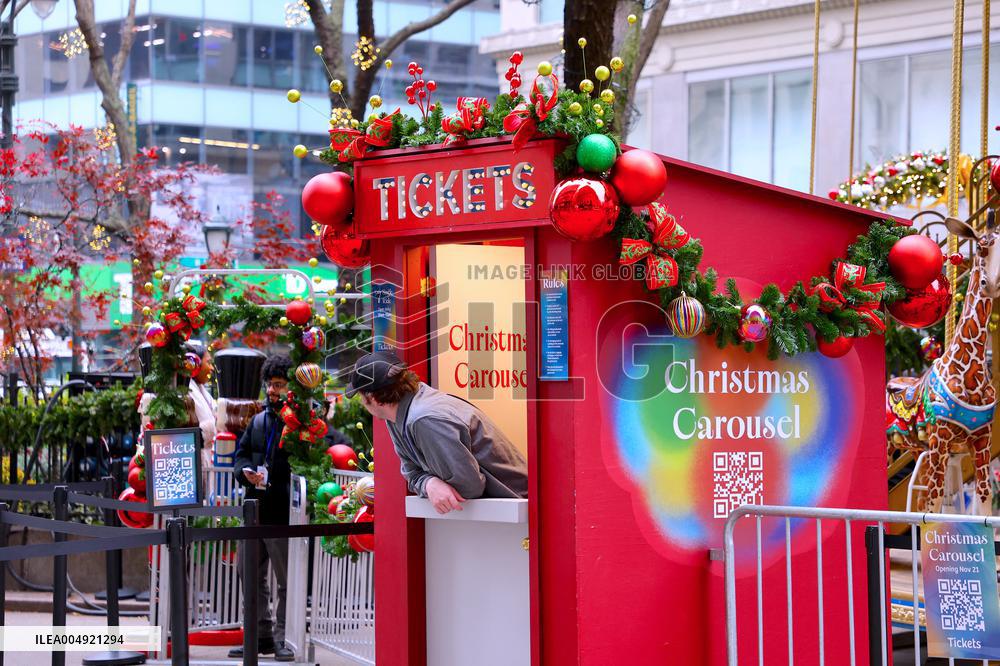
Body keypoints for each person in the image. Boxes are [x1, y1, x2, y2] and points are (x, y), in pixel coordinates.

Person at [347, 350, 528, 514]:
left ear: (374, 398)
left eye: (361, 397)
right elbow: (411, 472)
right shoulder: (399, 413)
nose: (362, 403)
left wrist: (426, 483)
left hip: (519, 511)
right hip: (501, 512)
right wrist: (430, 483)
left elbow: (468, 488)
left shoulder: (424, 419)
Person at [230, 354, 294, 662]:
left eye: (279, 384)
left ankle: (282, 639)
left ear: (290, 387)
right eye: (270, 384)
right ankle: (260, 637)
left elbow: (306, 464)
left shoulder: (300, 423)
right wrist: (244, 472)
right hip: (254, 509)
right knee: (249, 575)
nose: (272, 390)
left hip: (281, 512)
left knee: (285, 581)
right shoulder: (257, 420)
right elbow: (239, 457)